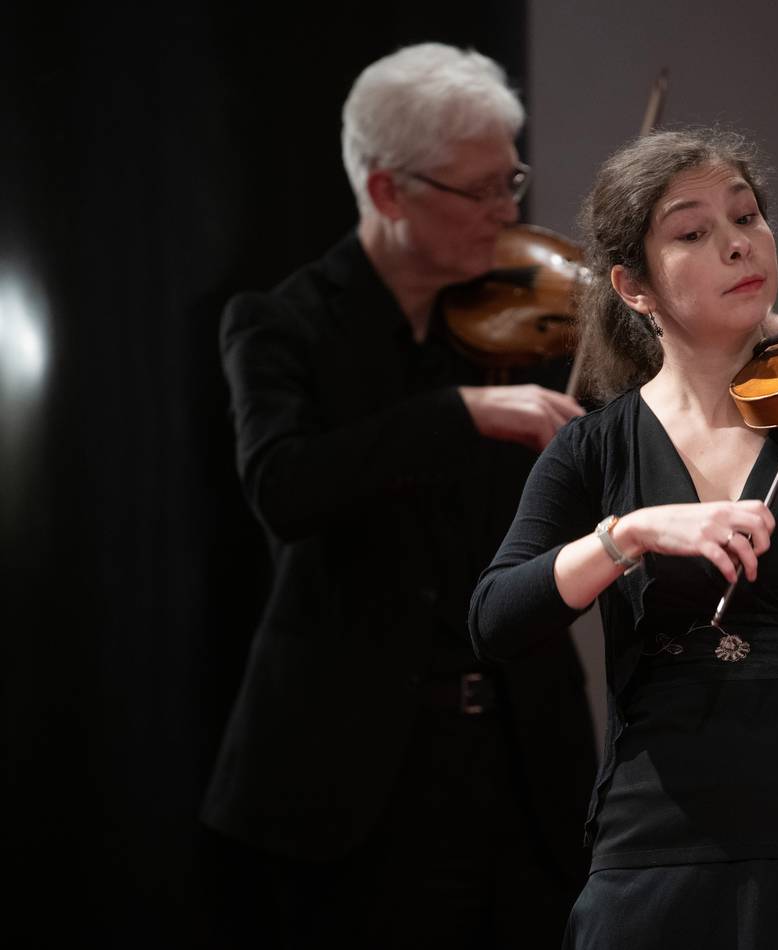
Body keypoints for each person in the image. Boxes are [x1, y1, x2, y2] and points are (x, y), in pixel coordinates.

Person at [469, 128, 778, 949]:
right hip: (660, 846)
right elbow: (496, 618)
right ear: (633, 286)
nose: (737, 244)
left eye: (747, 216)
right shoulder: (595, 447)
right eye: (692, 233)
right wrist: (630, 534)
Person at [202, 43, 597, 949]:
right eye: (483, 190)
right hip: (353, 784)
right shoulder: (281, 324)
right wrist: (456, 413)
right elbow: (283, 487)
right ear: (388, 192)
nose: (510, 212)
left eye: (513, 181)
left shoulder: (523, 314)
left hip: (523, 762)